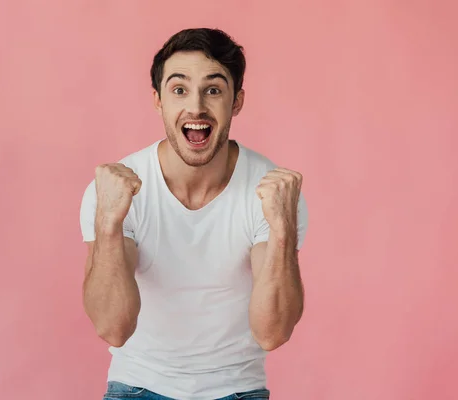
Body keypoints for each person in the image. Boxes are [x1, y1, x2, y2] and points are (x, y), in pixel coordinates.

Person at [79, 27, 309, 400]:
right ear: (158, 101)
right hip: (138, 387)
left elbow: (272, 332)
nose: (197, 107)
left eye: (214, 90)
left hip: (238, 390)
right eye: (180, 89)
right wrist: (108, 223)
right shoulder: (116, 188)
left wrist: (282, 230)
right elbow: (113, 327)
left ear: (236, 102)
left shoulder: (272, 191)